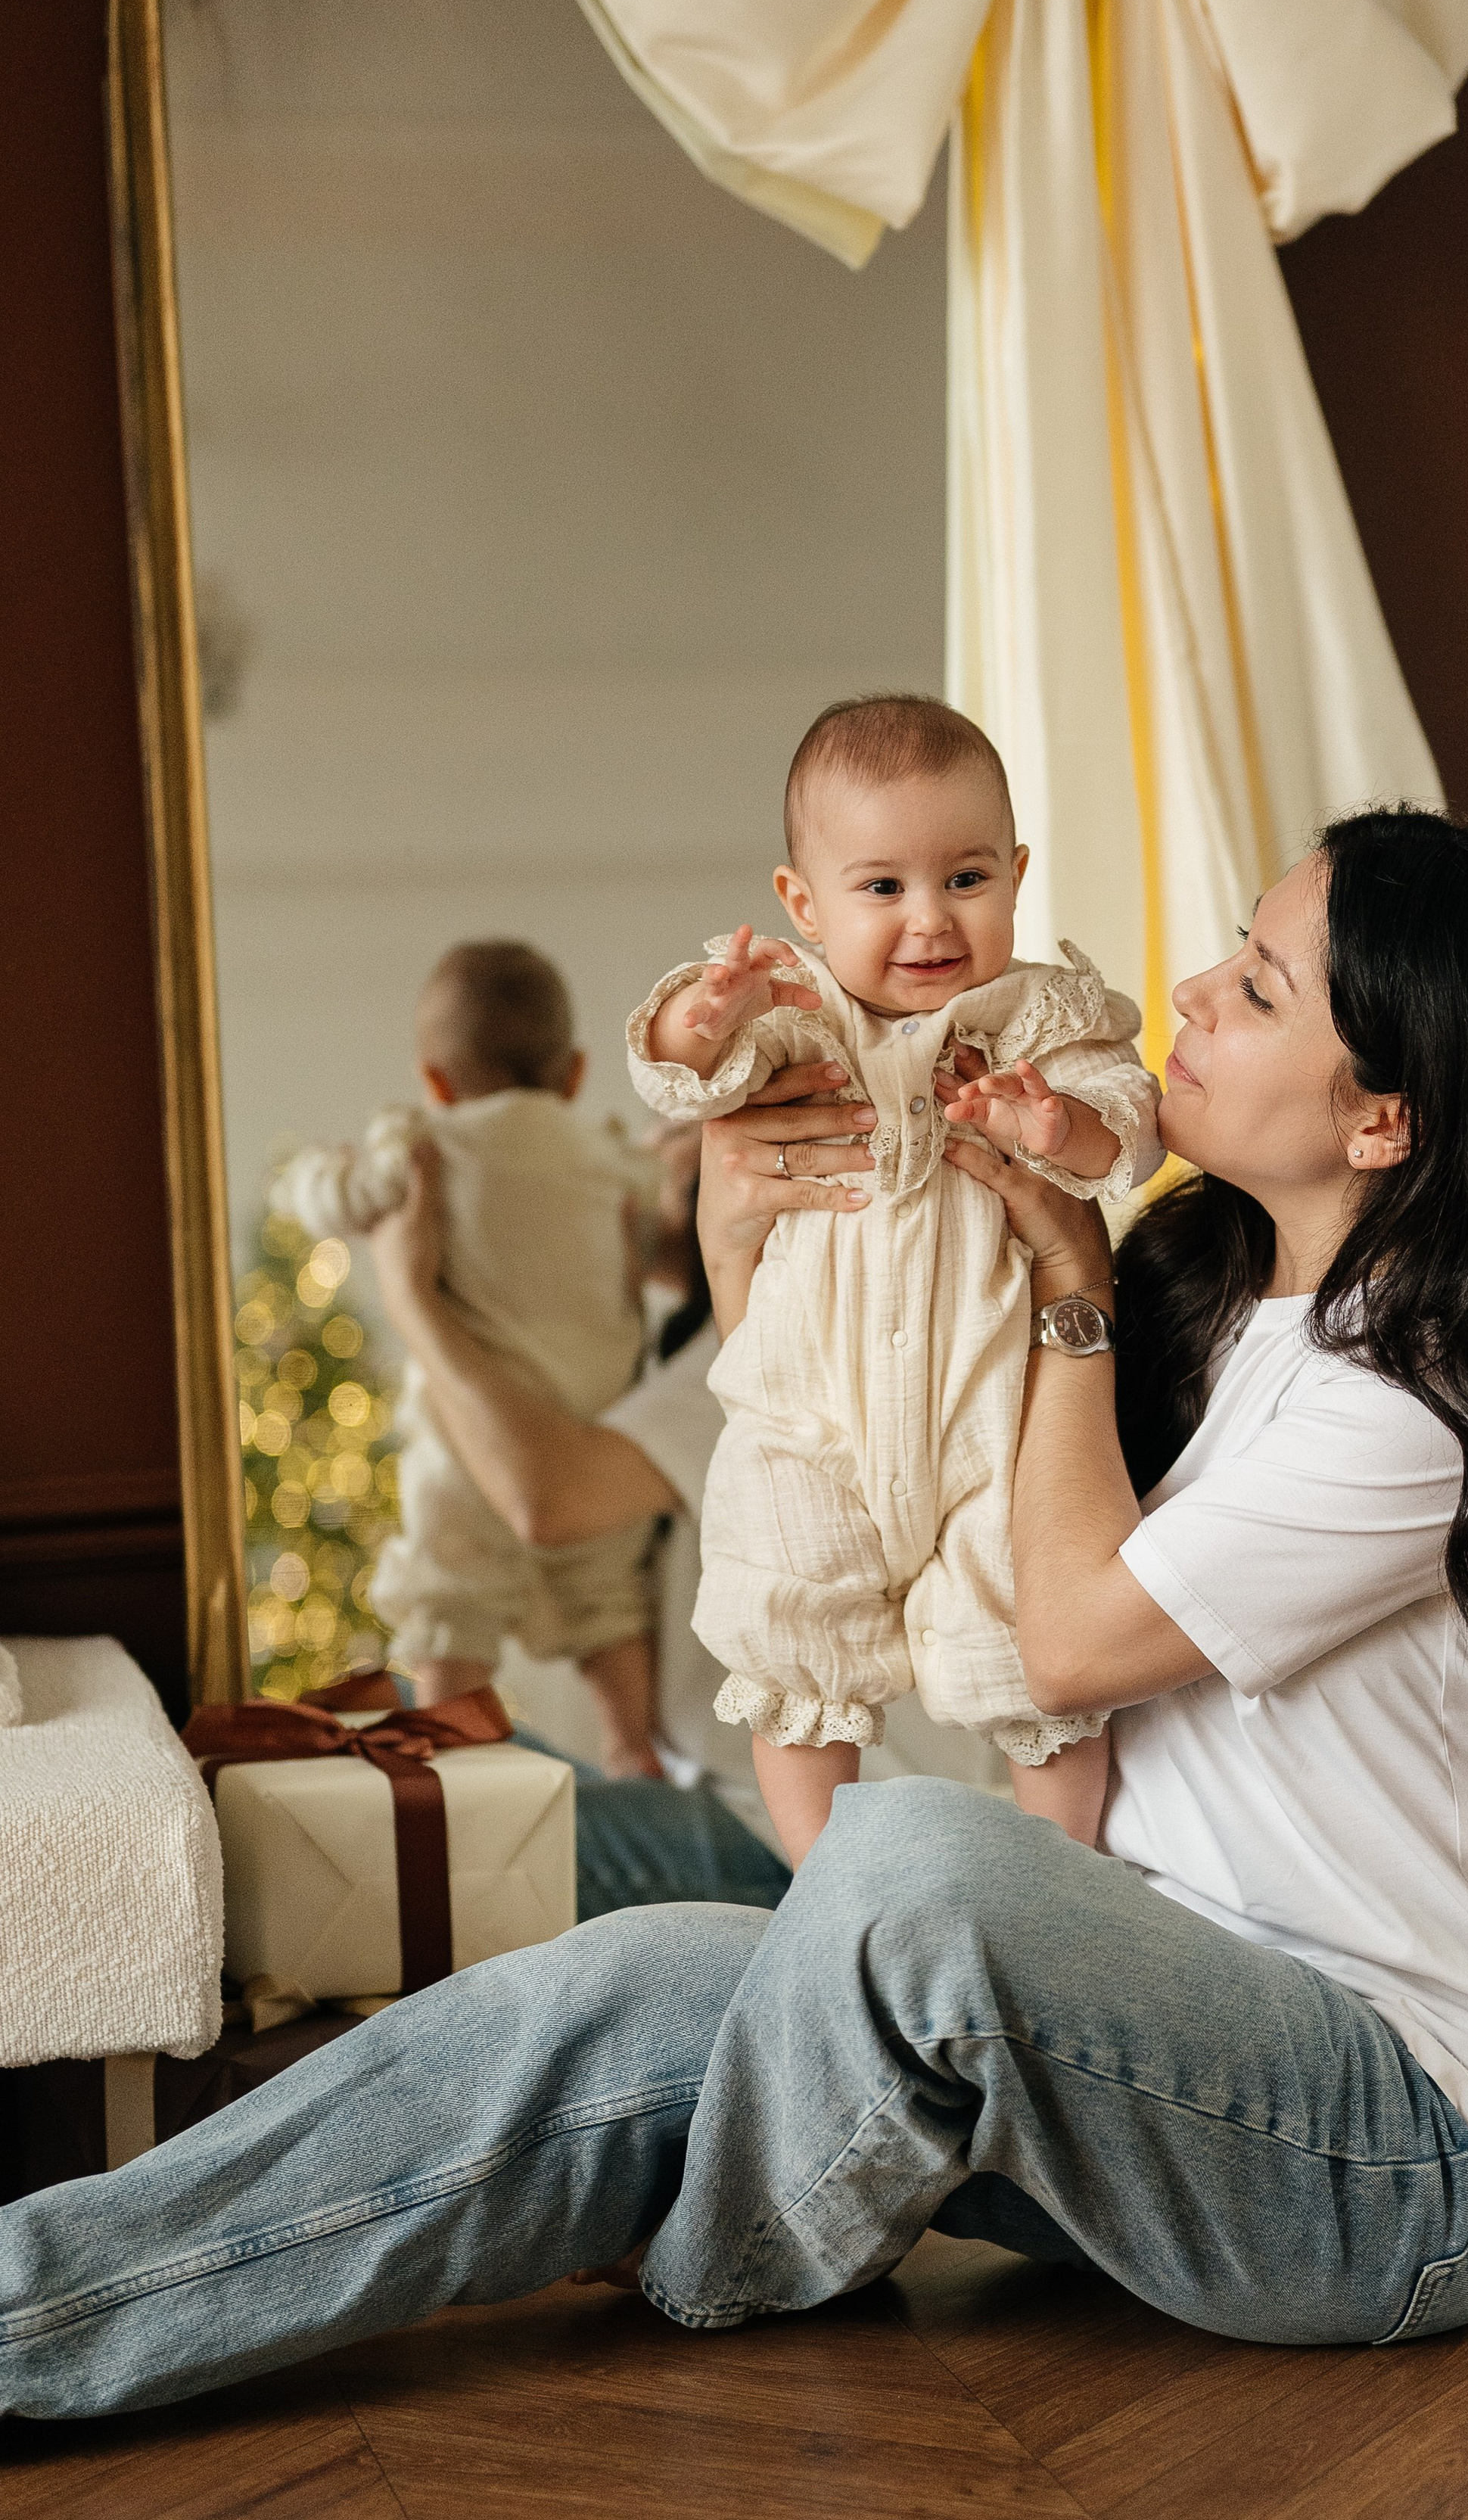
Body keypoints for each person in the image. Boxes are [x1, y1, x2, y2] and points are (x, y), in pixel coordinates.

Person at [0, 810, 1468, 2415]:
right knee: (625, 1985)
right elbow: (828, 1435)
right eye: (1229, 945)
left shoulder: (1423, 1404)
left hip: (1397, 2161)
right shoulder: (1213, 1301)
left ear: (1382, 1114)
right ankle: (34, 2316)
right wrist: (749, 1212)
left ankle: (715, 2267)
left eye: (1259, 983)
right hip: (1137, 2026)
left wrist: (1065, 1271)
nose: (1194, 990)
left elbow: (1063, 1644)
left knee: (911, 1864)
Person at [627, 693, 1162, 1859]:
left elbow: (1129, 1128)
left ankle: (1065, 1868)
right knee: (790, 1621)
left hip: (991, 1412)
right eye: (882, 888)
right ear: (803, 905)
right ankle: (827, 1877)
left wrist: (1053, 1120)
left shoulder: (1035, 1020)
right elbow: (693, 1078)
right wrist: (698, 1019)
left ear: (1017, 875)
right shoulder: (801, 1022)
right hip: (809, 1415)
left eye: (966, 879)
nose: (930, 921)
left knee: (1037, 1635)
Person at [359, 1112, 1011, 1908]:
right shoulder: (686, 1345)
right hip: (711, 1779)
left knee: (429, 1827)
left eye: (661, 1141)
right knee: (384, 1713)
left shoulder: (754, 1349)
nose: (628, 1163)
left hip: (789, 1825)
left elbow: (547, 1499)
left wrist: (415, 1301)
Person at [277, 939, 665, 1775]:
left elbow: (334, 1198)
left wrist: (309, 1177)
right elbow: (649, 1223)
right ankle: (632, 1746)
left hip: (471, 1452)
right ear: (573, 1073)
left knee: (451, 1600)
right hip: (590, 1437)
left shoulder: (426, 1148)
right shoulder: (606, 1159)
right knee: (608, 1606)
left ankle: (446, 1759)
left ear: (437, 1081)